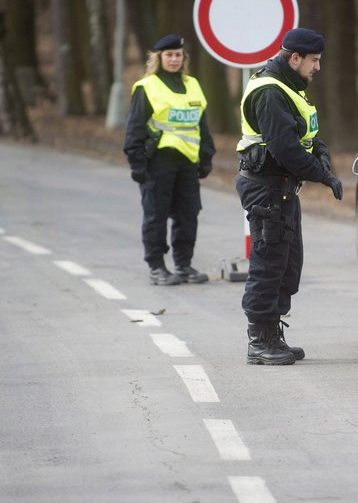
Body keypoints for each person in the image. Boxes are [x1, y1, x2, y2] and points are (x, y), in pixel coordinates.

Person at [236, 27, 343, 365]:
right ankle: (259, 340)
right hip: (266, 185)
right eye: (314, 60)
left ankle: (273, 334)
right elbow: (284, 148)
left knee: (287, 262)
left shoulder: (289, 87)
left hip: (281, 188)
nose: (318, 67)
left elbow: (307, 135)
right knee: (268, 263)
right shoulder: (271, 92)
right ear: (294, 58)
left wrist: (322, 155)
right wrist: (322, 175)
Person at [123, 34, 216, 286]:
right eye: (169, 55)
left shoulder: (193, 85)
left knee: (189, 214)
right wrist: (136, 162)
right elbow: (135, 127)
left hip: (187, 161)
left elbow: (202, 125)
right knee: (156, 214)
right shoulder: (147, 87)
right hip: (158, 161)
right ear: (159, 58)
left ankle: (184, 265)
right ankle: (156, 267)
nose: (174, 59)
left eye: (178, 55)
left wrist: (206, 156)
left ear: (183, 57)